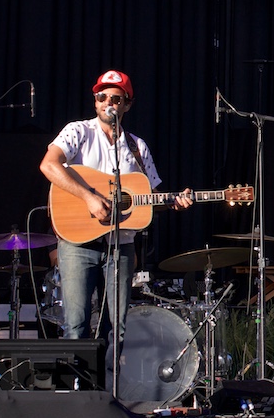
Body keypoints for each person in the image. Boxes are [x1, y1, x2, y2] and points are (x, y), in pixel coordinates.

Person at [39, 70, 193, 343]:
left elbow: (148, 196)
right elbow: (49, 164)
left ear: (128, 104)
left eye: (116, 98)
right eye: (102, 97)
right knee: (76, 327)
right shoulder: (78, 131)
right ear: (95, 101)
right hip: (78, 244)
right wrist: (88, 197)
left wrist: (172, 202)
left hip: (120, 246)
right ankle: (81, 385)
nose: (108, 103)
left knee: (116, 330)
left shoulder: (136, 147)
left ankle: (110, 384)